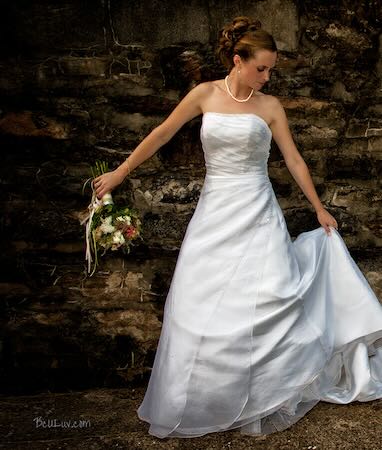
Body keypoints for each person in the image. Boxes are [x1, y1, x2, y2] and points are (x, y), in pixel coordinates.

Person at [94, 16, 382, 438]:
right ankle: (206, 396)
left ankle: (267, 388)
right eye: (261, 68)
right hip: (216, 208)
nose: (267, 77)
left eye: (271, 70)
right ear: (237, 60)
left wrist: (319, 207)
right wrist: (119, 173)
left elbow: (294, 160)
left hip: (257, 208)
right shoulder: (205, 94)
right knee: (202, 297)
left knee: (266, 294)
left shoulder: (270, 107)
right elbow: (160, 134)